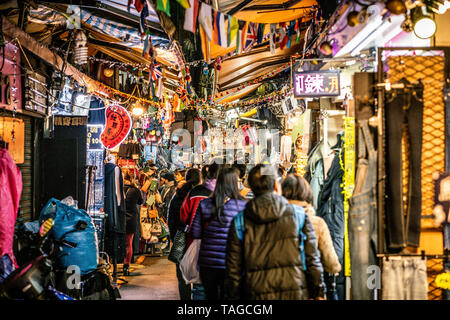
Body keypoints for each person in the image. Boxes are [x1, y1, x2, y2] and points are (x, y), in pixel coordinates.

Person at [225, 164, 324, 300]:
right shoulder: (299, 215)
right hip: (295, 291)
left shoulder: (239, 221)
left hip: (255, 293)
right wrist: (318, 291)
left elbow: (233, 270)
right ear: (277, 186)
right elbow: (312, 259)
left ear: (251, 188)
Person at [190, 167, 247, 300]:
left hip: (207, 262)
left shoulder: (204, 204)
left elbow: (195, 232)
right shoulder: (243, 206)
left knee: (210, 296)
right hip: (232, 261)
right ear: (235, 183)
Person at [282, 174, 342, 275]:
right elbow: (332, 264)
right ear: (307, 194)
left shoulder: (274, 219)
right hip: (307, 282)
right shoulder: (317, 223)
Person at [180, 163, 221, 300]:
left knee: (199, 285)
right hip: (221, 247)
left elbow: (184, 216)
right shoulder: (226, 194)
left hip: (196, 244)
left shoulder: (195, 192)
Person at [167, 168, 202, 300]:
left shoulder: (178, 195)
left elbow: (171, 220)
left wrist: (174, 238)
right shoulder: (202, 195)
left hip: (181, 240)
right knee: (199, 279)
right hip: (198, 242)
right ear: (200, 180)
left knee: (182, 278)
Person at [123, 172, 143, 276]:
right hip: (131, 219)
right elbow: (141, 202)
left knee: (118, 242)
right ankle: (126, 266)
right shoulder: (135, 190)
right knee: (128, 243)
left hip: (119, 219)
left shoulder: (118, 188)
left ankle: (115, 262)